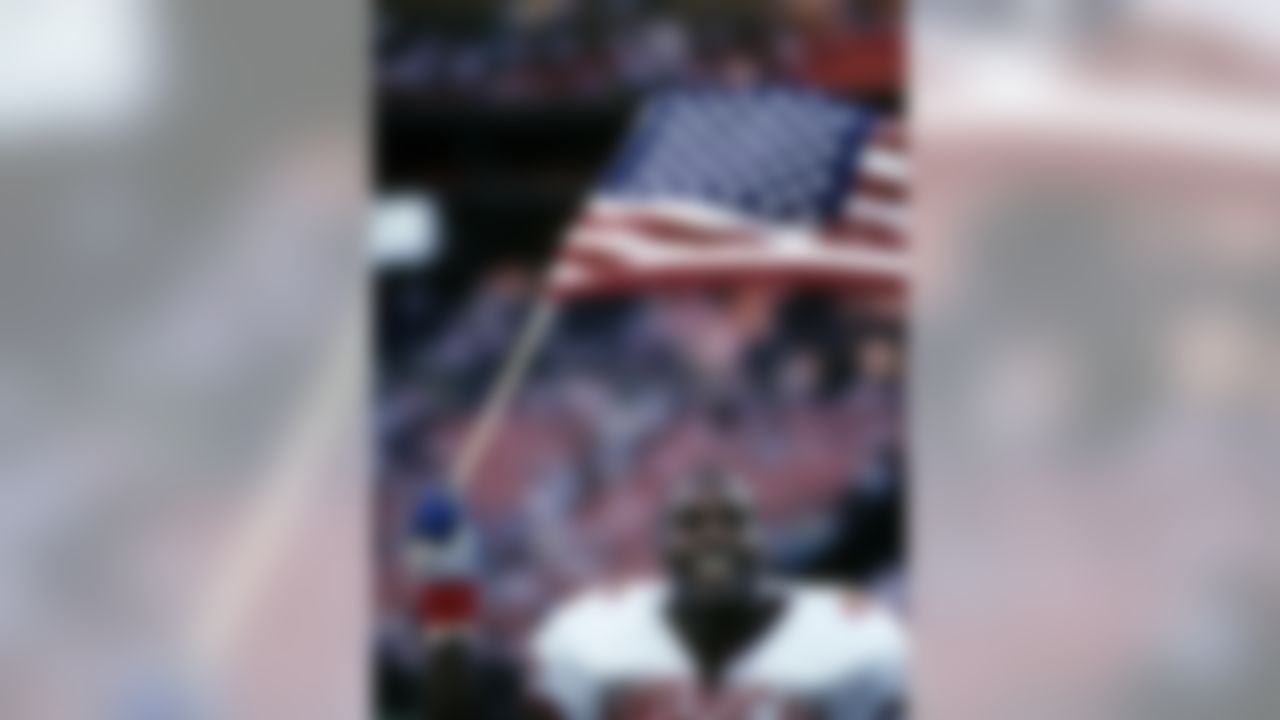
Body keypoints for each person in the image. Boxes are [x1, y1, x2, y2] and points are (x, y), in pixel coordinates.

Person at [525, 466, 909, 719]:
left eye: (733, 522)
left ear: (761, 541)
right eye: (691, 524)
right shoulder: (591, 641)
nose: (712, 536)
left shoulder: (851, 640)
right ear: (662, 545)